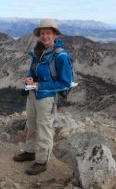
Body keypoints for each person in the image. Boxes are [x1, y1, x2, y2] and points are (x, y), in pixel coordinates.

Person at [13, 18, 72, 175]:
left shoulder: (61, 56)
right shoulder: (39, 51)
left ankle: (42, 161)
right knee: (32, 124)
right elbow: (33, 71)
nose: (45, 36)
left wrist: (41, 86)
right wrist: (30, 79)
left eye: (48, 33)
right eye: (42, 33)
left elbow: (65, 83)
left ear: (54, 35)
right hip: (33, 94)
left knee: (44, 127)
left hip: (46, 98)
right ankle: (30, 151)